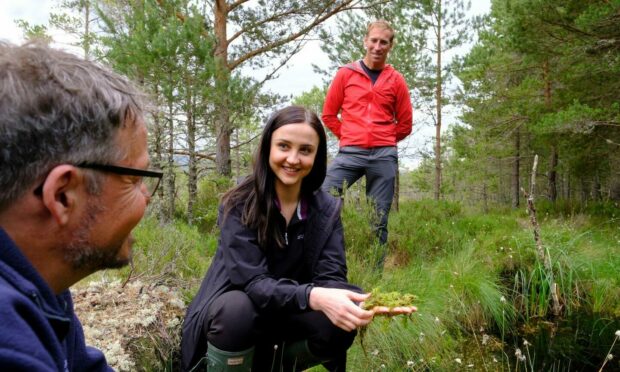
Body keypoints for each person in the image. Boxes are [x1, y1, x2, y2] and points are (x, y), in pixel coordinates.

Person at [181, 106, 414, 372]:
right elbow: (254, 284)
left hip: (286, 312)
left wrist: (366, 302)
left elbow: (331, 280)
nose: (293, 158)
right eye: (284, 146)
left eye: (305, 150)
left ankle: (269, 367)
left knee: (342, 313)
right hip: (235, 318)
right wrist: (314, 296)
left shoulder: (325, 209)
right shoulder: (239, 204)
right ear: (268, 147)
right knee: (237, 310)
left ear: (317, 156)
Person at [0, 41, 162, 371]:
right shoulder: (10, 349)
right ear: (62, 196)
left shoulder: (42, 283)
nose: (145, 197)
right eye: (133, 180)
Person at [321, 19, 413, 269]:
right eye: (373, 40)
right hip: (350, 153)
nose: (377, 46)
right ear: (365, 41)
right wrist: (349, 136)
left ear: (390, 46)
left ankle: (375, 274)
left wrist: (384, 140)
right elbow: (329, 114)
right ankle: (323, 263)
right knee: (323, 198)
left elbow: (405, 124)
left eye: (383, 42)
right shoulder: (346, 74)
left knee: (379, 218)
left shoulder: (396, 80)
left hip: (383, 156)